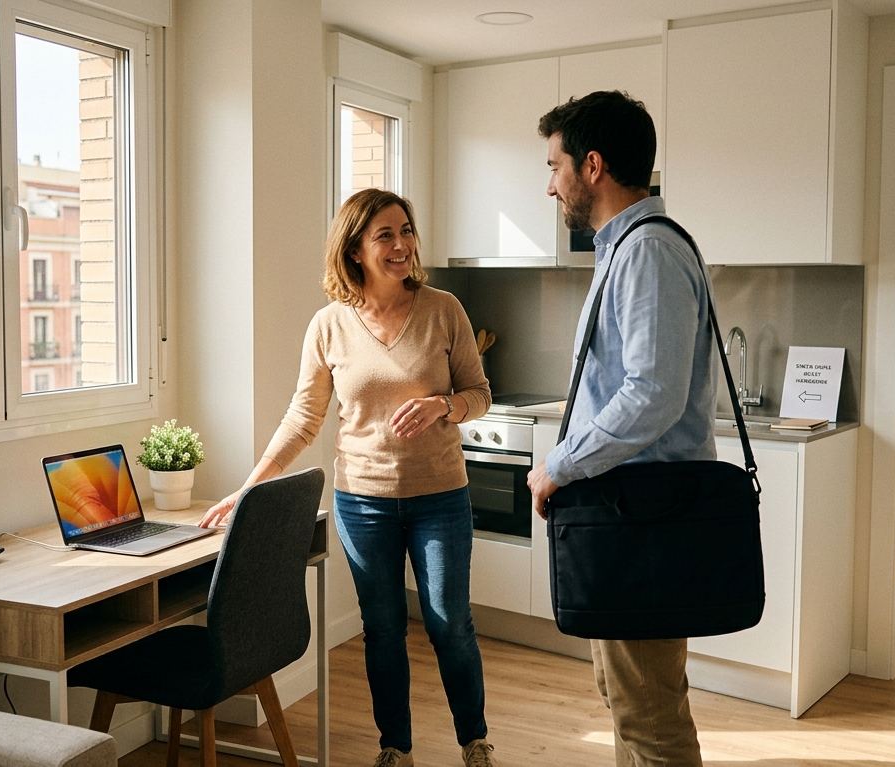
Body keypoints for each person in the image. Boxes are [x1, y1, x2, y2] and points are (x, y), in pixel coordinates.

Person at [199, 189, 498, 767]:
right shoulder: (328, 325)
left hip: (440, 496)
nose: (401, 244)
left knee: (449, 624)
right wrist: (248, 488)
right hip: (363, 502)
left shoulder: (444, 310)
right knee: (383, 629)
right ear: (355, 248)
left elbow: (480, 394)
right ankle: (395, 748)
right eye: (385, 234)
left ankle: (474, 741)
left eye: (406, 231)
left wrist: (444, 406)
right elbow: (303, 418)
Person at [526, 91, 714, 767]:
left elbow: (652, 394)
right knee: (628, 697)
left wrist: (559, 465)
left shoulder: (646, 252)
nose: (551, 186)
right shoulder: (626, 248)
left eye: (556, 167)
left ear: (593, 165)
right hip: (631, 516)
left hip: (644, 522)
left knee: (649, 715)